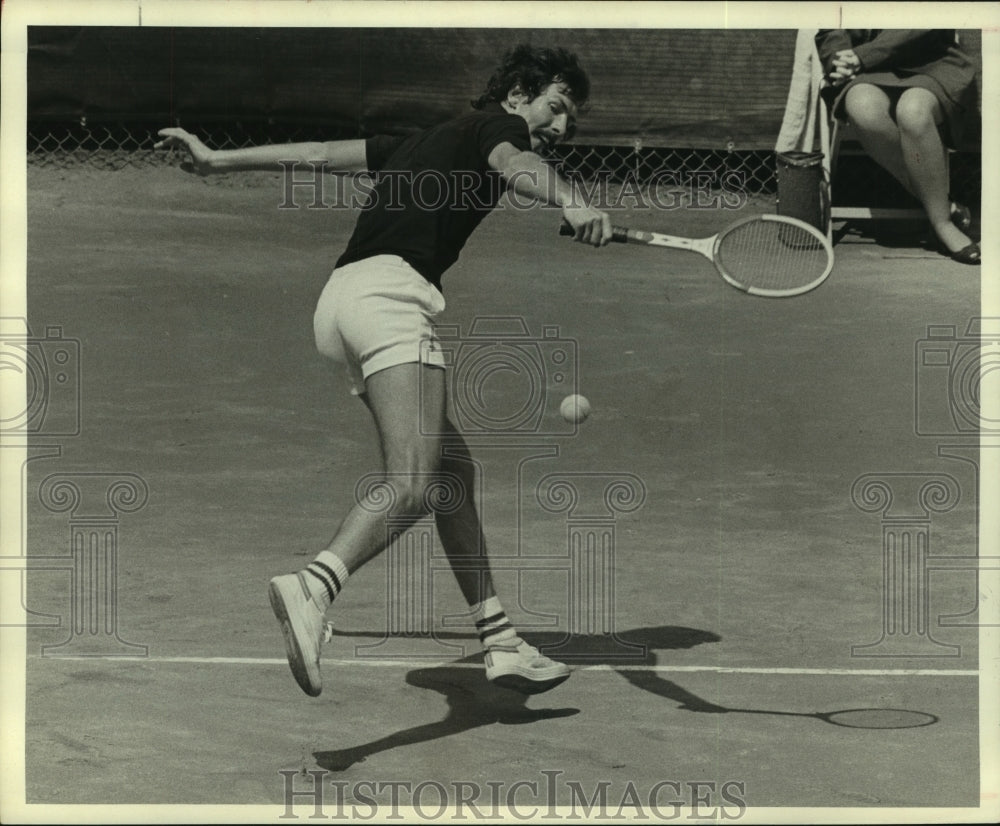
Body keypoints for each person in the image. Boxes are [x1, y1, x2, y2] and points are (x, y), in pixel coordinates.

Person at [155, 45, 613, 698]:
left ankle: (500, 641)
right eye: (556, 107)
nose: (561, 127)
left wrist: (216, 159)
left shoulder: (417, 139)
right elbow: (518, 165)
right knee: (414, 482)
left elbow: (314, 155)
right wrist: (570, 200)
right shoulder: (500, 130)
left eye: (571, 118)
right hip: (391, 301)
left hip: (340, 301)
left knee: (452, 473)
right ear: (517, 96)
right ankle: (314, 586)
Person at [815, 29, 980, 265]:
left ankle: (942, 223)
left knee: (913, 112)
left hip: (931, 61)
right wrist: (840, 60)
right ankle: (944, 204)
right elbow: (831, 27)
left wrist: (862, 56)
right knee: (863, 108)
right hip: (869, 70)